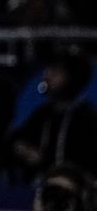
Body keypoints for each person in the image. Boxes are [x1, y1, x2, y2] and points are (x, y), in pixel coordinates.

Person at [12, 46, 97, 179]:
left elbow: (84, 162)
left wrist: (44, 160)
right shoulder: (44, 114)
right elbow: (17, 139)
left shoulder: (87, 118)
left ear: (73, 78)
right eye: (47, 70)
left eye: (55, 72)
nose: (47, 76)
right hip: (40, 187)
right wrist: (22, 149)